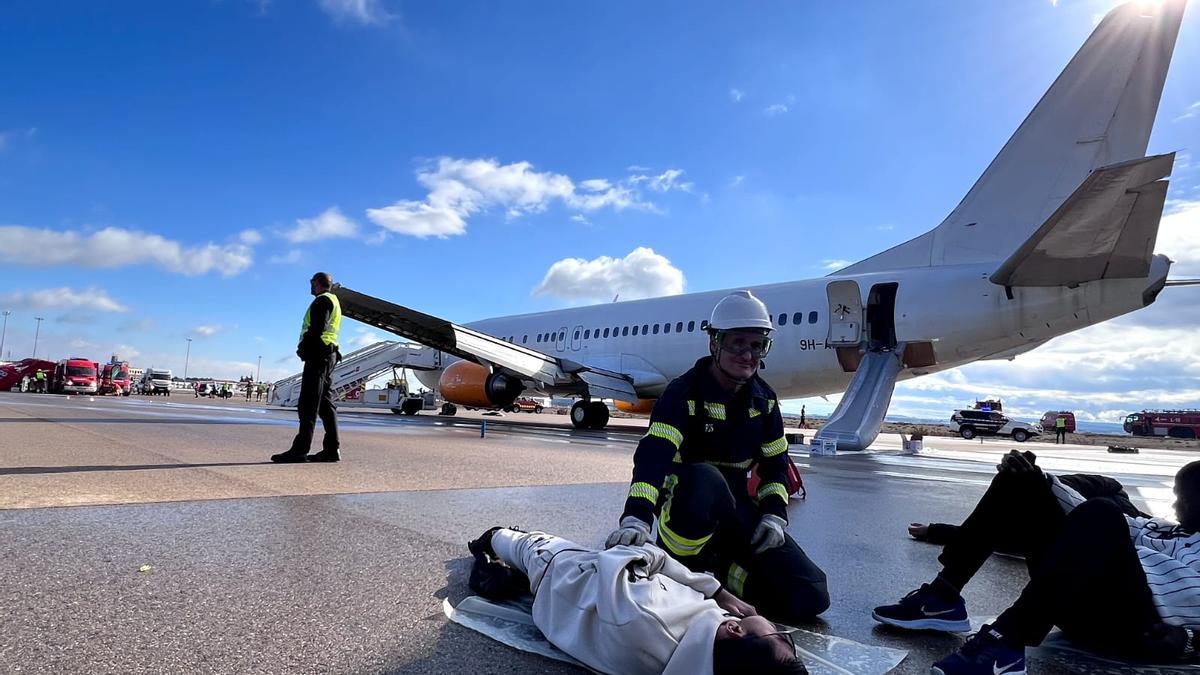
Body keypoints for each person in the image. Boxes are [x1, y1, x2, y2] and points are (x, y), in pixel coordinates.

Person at [605, 290, 829, 624]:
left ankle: (722, 574)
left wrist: (773, 515)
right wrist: (637, 517)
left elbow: (776, 467)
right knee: (705, 478)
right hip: (685, 509)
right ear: (714, 343)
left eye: (758, 345)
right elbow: (654, 457)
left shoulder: (764, 401)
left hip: (734, 512)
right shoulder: (683, 393)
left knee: (810, 594)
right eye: (738, 343)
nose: (748, 355)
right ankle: (682, 569)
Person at [872, 450, 1200, 675]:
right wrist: (1039, 477)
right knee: (1020, 478)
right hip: (1080, 599)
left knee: (1103, 511)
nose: (1174, 503)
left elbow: (1099, 516)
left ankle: (1006, 643)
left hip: (1139, 625)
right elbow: (1082, 513)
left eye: (1181, 496)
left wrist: (1189, 643)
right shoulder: (1162, 528)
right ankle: (943, 596)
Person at [469, 526, 808, 675]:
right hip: (573, 608)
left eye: (780, 636)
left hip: (561, 572)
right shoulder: (707, 658)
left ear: (734, 630)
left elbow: (623, 554)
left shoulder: (648, 615)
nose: (778, 630)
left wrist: (715, 589)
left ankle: (494, 548)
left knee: (512, 540)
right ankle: (507, 574)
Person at [272, 272, 342, 463]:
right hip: (329, 355)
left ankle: (300, 450)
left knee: (308, 404)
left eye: (312, 283)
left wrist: (303, 348)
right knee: (325, 404)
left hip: (318, 356)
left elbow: (316, 328)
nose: (310, 286)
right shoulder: (334, 300)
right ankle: (331, 449)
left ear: (318, 283)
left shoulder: (321, 301)